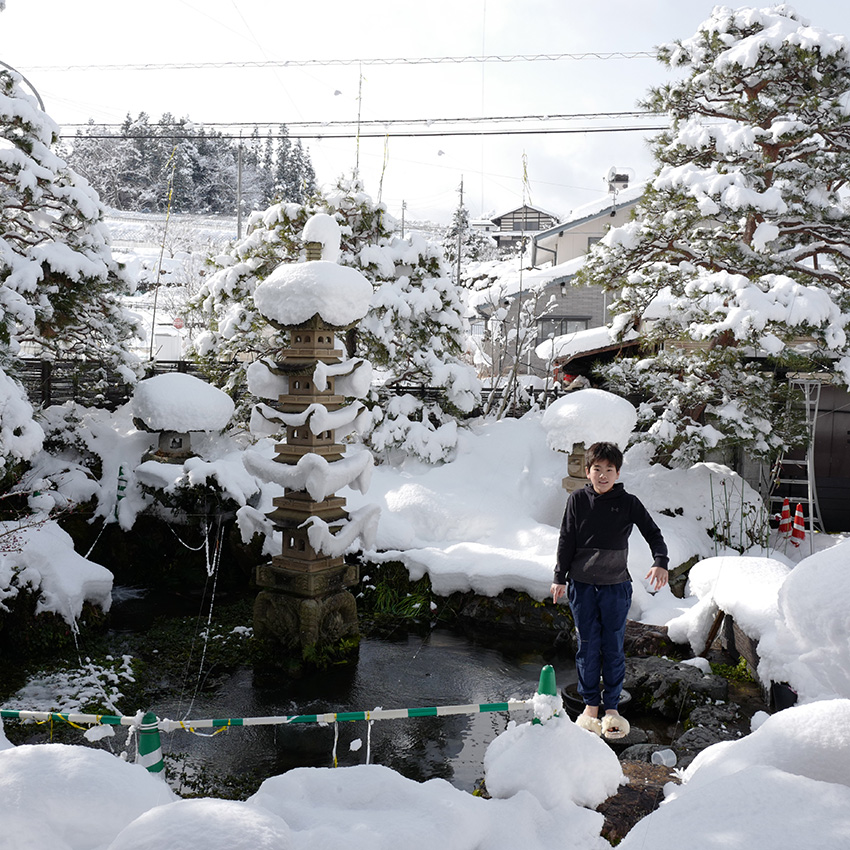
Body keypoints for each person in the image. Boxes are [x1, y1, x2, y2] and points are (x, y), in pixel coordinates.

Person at [551, 441, 668, 739]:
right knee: (588, 645)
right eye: (597, 469)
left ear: (617, 472)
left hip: (616, 587)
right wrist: (559, 576)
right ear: (588, 471)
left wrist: (660, 562)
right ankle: (591, 706)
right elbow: (566, 539)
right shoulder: (577, 500)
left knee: (613, 646)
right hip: (582, 586)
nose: (602, 475)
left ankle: (612, 707)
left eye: (609, 470)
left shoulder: (628, 502)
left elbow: (653, 533)